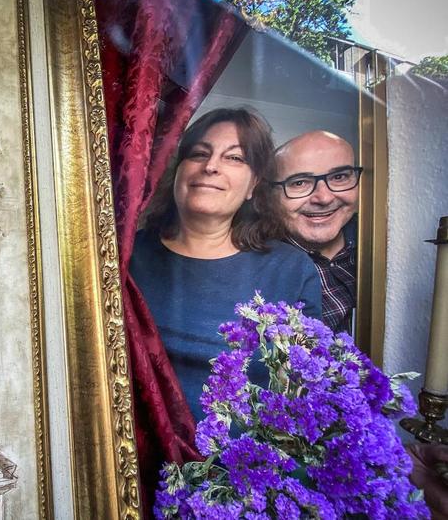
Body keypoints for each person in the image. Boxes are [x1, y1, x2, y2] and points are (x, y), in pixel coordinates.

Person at [130, 108, 322, 422]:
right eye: (198, 154)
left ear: (253, 186)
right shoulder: (128, 256)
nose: (210, 167)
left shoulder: (291, 272)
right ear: (178, 171)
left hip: (243, 466)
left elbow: (304, 391)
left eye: (235, 158)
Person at [273, 131, 360, 334]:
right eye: (299, 182)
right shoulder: (259, 268)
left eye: (339, 177)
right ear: (271, 196)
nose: (324, 198)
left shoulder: (384, 246)